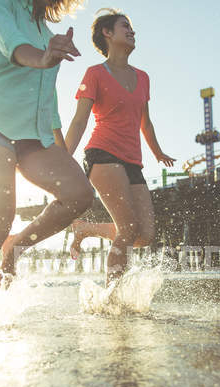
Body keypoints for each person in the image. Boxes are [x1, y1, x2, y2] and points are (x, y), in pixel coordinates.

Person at [0, 0, 92, 328]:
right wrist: (45, 57)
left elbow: (48, 102)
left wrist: (63, 153)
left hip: (34, 138)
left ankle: (16, 247)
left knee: (80, 194)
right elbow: (16, 48)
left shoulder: (47, 31)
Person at [65, 9, 175, 287]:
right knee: (127, 228)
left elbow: (145, 123)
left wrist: (158, 152)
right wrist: (63, 157)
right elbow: (79, 121)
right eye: (124, 26)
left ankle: (87, 229)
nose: (131, 31)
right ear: (107, 33)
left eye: (132, 27)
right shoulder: (95, 74)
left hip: (132, 161)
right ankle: (111, 298)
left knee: (144, 234)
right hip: (102, 153)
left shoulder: (143, 78)